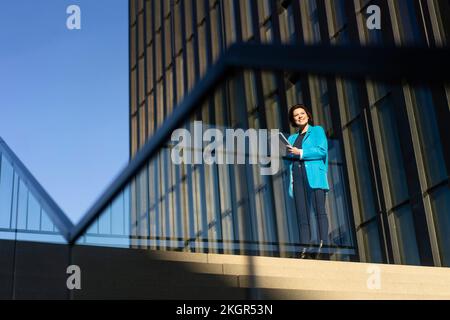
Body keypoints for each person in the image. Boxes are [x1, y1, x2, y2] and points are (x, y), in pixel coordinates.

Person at [286, 104, 330, 259]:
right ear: (293, 120)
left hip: (314, 176)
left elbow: (322, 151)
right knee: (302, 216)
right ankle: (304, 248)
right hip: (297, 178)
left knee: (319, 211)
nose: (299, 116)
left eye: (302, 113)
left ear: (307, 115)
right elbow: (290, 162)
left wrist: (301, 152)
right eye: (296, 115)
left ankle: (324, 244)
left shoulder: (317, 130)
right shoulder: (291, 138)